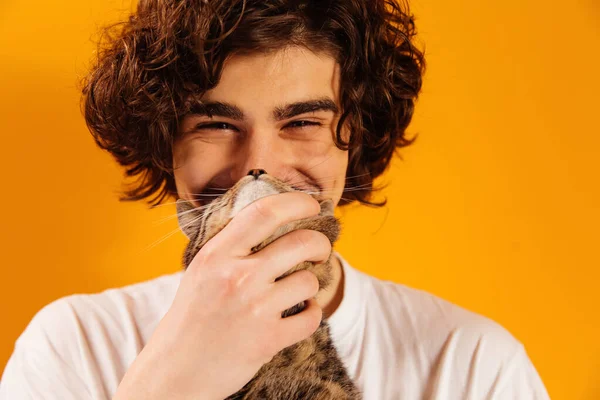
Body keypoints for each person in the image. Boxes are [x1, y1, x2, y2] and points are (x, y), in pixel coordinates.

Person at [0, 0, 551, 399]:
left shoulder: (471, 363)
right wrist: (174, 379)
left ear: (352, 140)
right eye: (215, 123)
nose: (256, 168)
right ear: (165, 142)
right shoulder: (74, 344)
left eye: (303, 121)